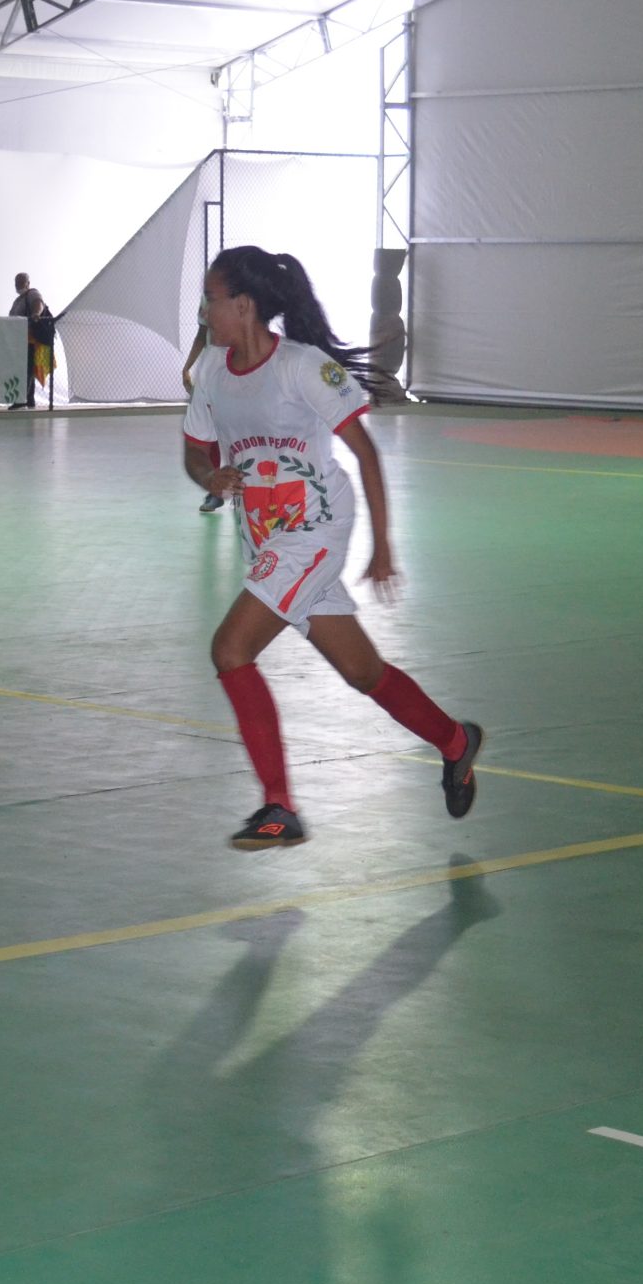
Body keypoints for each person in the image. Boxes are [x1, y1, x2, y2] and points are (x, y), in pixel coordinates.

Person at [183, 244, 481, 850]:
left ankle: (279, 807)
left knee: (231, 649)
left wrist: (383, 545)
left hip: (315, 528)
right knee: (362, 672)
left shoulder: (301, 367)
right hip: (268, 540)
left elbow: (365, 451)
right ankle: (455, 741)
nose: (204, 311)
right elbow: (194, 448)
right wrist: (208, 476)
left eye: (211, 300)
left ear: (243, 305)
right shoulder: (213, 372)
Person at [179, 295, 220, 514]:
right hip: (212, 372)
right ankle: (216, 490)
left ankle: (247, 491)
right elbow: (201, 335)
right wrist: (187, 367)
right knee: (207, 436)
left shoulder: (249, 291)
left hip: (241, 371)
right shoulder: (207, 296)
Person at [7, 272, 54, 409]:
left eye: (21, 282)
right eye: (17, 282)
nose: (18, 285)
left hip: (30, 339)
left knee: (26, 369)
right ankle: (29, 399)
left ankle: (22, 399)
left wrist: (36, 314)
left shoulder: (32, 294)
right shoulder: (17, 301)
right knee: (27, 369)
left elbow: (38, 304)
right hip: (19, 340)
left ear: (28, 283)